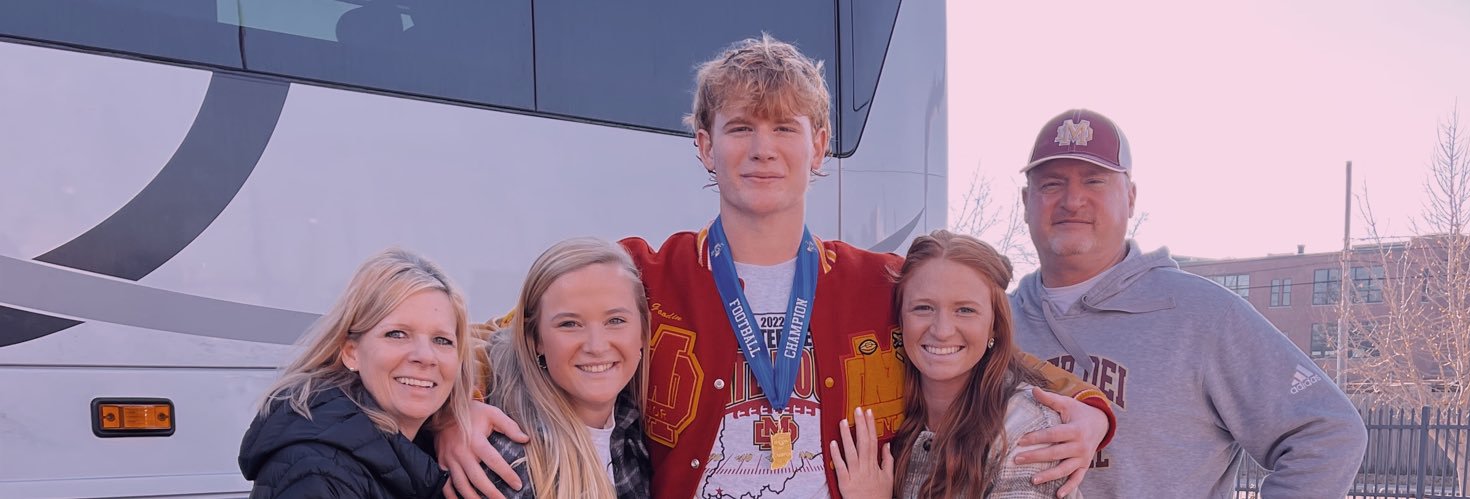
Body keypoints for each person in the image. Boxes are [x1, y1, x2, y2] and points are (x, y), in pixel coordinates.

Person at [440, 36, 1114, 499]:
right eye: (741, 128)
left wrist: (1092, 414)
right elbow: (493, 338)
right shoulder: (646, 274)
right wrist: (456, 412)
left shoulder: (881, 282)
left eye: (785, 128)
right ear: (705, 147)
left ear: (818, 147)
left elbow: (999, 354)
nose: (763, 150)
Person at [1009, 109, 1368, 497]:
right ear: (1026, 202)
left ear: (1130, 198)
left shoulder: (1204, 315)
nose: (1073, 200)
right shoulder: (991, 325)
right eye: (1051, 184)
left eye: (1094, 181)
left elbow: (1328, 432)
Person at [832, 230, 1082, 499]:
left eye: (965, 310)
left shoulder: (1028, 427)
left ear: (994, 325)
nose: (942, 331)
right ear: (900, 320)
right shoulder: (890, 412)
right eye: (923, 308)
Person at [239, 248, 475, 498]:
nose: (426, 356)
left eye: (442, 340)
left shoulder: (425, 453)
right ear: (351, 352)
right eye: (397, 334)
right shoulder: (317, 473)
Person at [479, 238, 652, 499]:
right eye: (570, 324)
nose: (596, 346)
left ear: (643, 330)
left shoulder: (635, 432)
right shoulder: (510, 464)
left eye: (615, 320)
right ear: (535, 338)